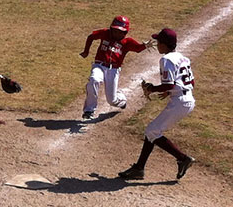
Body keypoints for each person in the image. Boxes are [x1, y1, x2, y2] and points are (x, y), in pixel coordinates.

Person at [119, 28, 196, 181]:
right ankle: (139, 168)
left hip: (180, 103)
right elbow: (189, 82)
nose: (157, 45)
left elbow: (168, 84)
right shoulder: (183, 58)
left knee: (151, 131)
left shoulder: (166, 60)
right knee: (152, 131)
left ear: (165, 44)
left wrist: (151, 88)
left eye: (159, 42)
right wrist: (170, 91)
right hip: (187, 99)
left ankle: (182, 158)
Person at [80, 16, 153, 120]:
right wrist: (86, 51)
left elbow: (137, 48)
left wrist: (144, 46)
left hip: (113, 70)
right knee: (94, 79)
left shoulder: (127, 42)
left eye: (120, 31)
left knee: (112, 100)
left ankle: (122, 99)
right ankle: (89, 110)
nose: (116, 33)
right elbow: (91, 36)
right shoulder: (105, 33)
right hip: (99, 65)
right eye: (114, 30)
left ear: (125, 32)